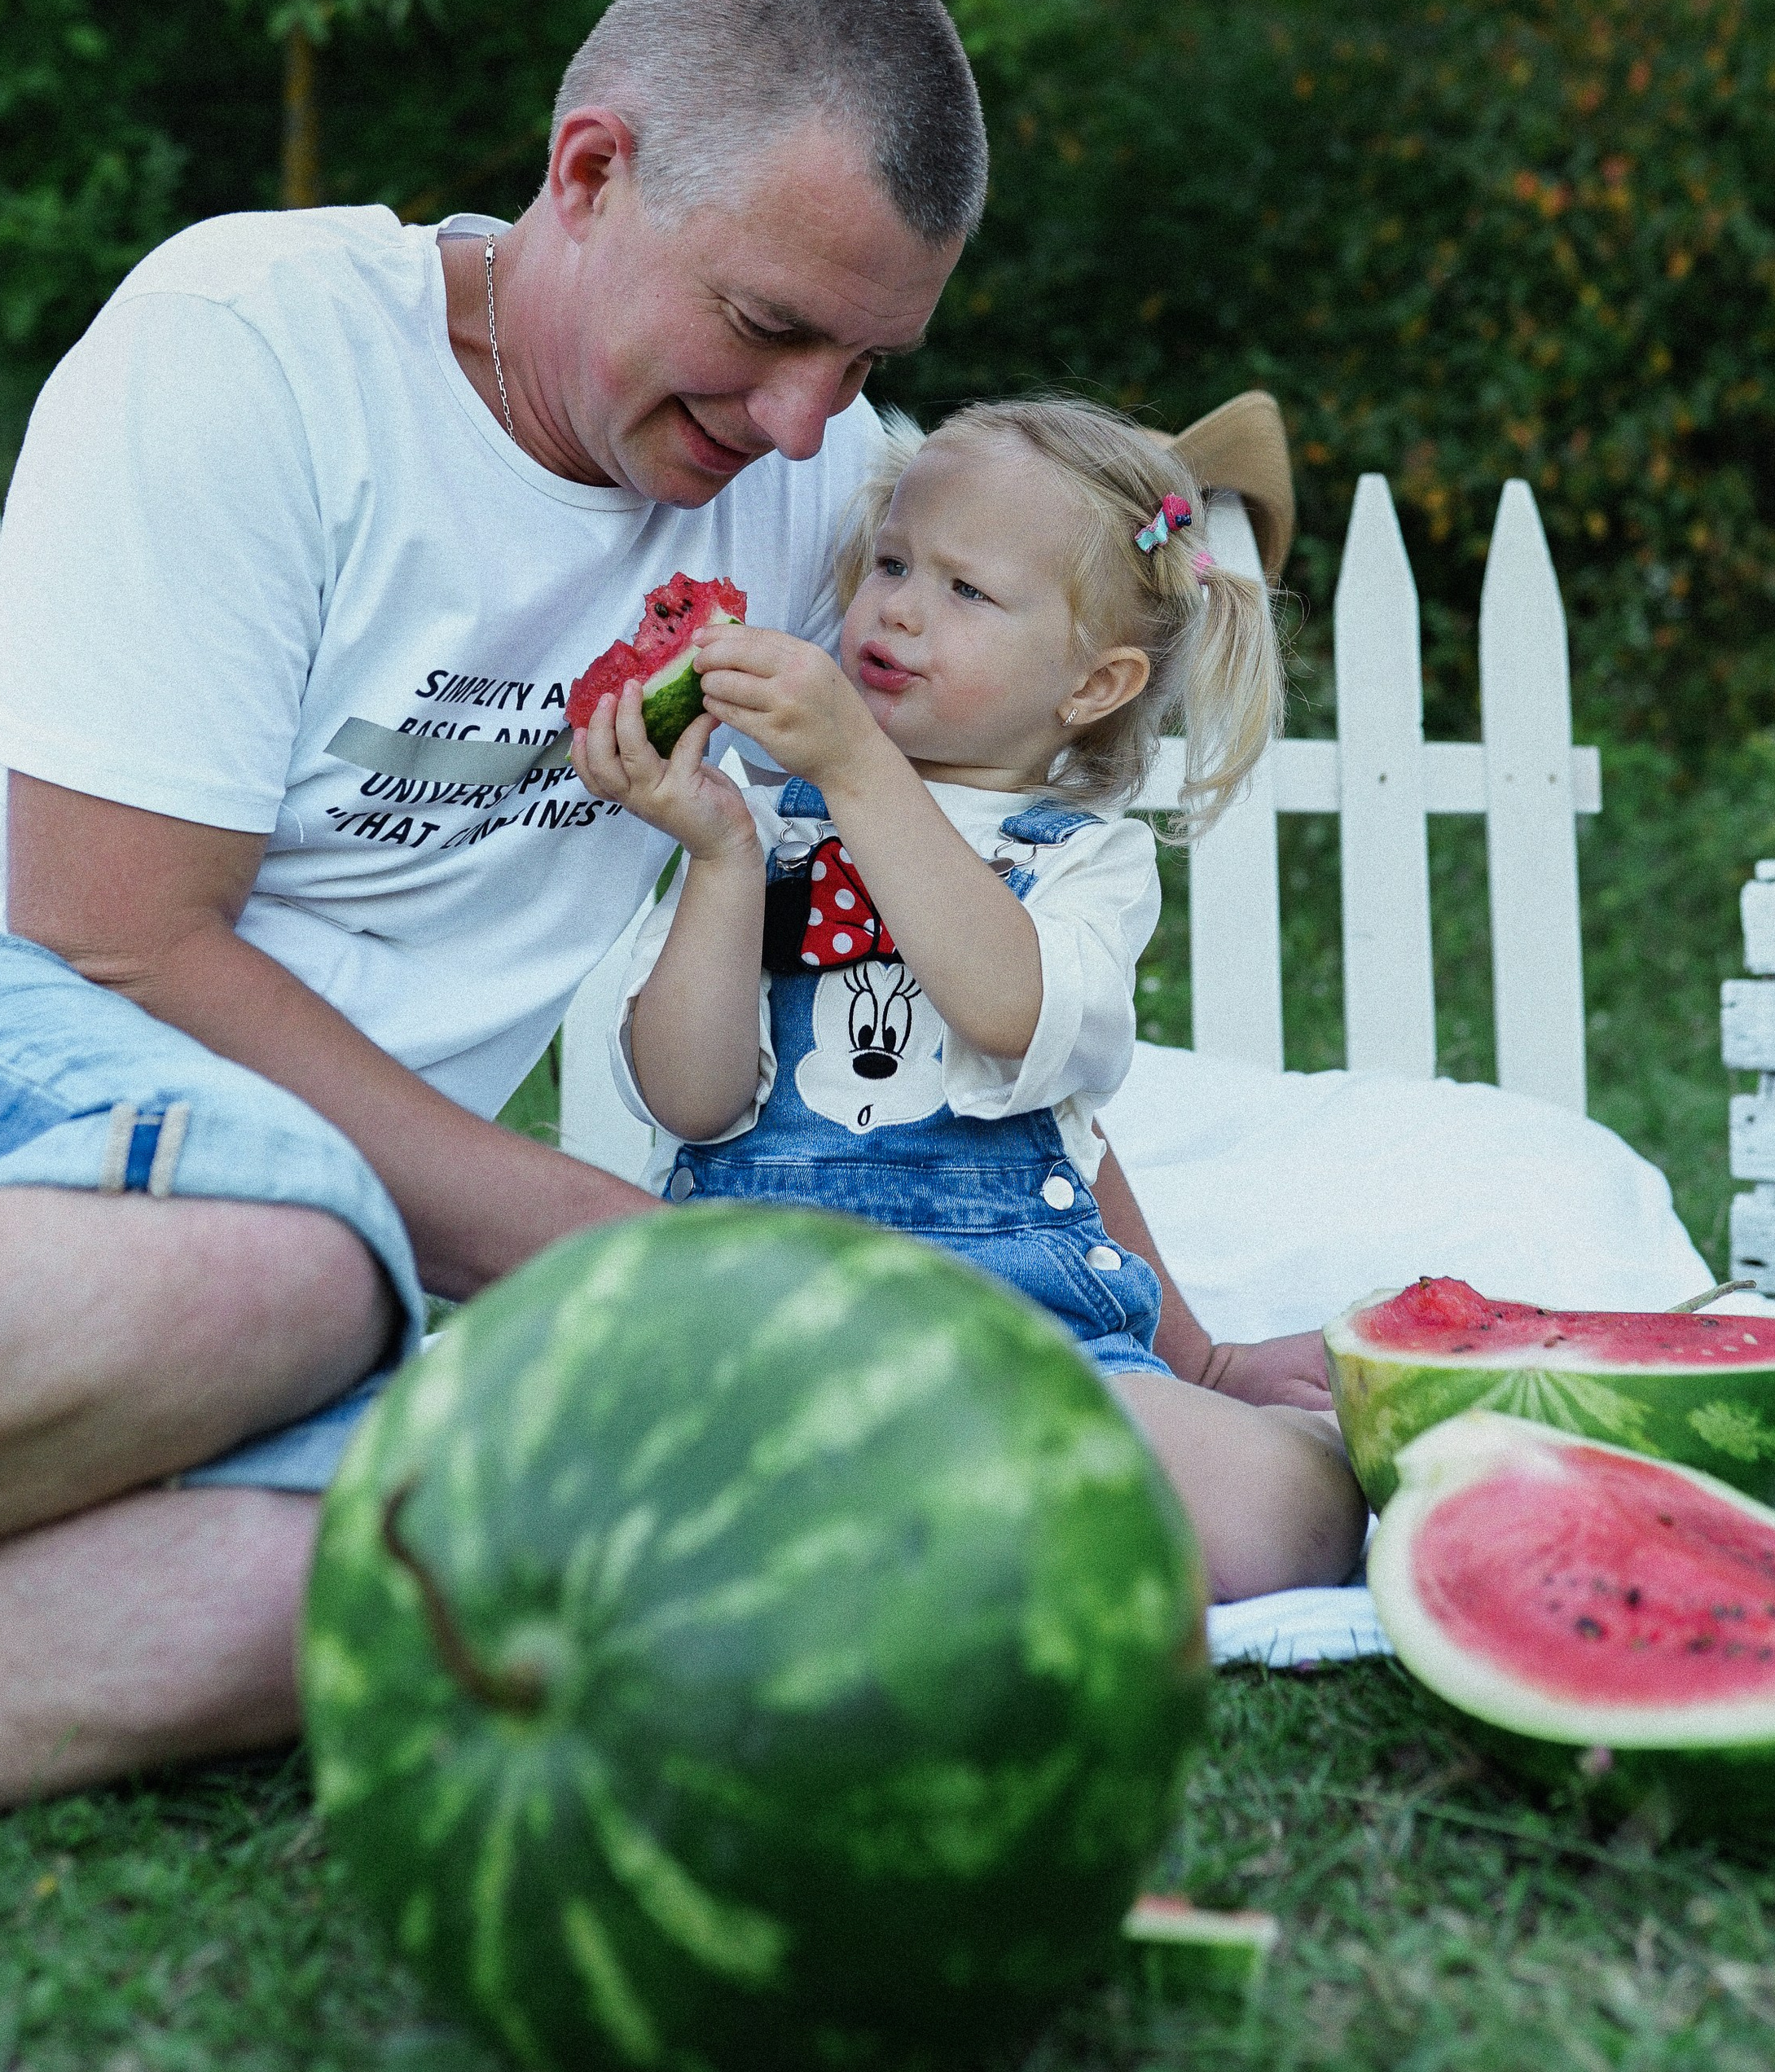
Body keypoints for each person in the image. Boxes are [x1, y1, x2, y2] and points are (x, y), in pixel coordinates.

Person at [0, 0, 1327, 1820]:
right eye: (768, 325)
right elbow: (117, 942)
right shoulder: (259, 347)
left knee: (456, 1549)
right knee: (284, 1269)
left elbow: (966, 960)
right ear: (588, 172)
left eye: (865, 359)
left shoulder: (813, 498)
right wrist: (656, 1271)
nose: (805, 420)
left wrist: (1184, 1353)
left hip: (299, 1228)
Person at [578, 397, 1365, 1602]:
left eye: (967, 591)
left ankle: (908, 1532)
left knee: (1282, 1511)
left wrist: (1199, 1366)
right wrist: (725, 858)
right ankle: (932, 1541)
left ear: (1094, 684)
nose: (898, 607)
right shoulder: (759, 824)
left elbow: (1015, 1023)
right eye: (893, 564)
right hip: (758, 1332)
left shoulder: (1087, 862)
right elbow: (689, 1100)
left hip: (1024, 1352)